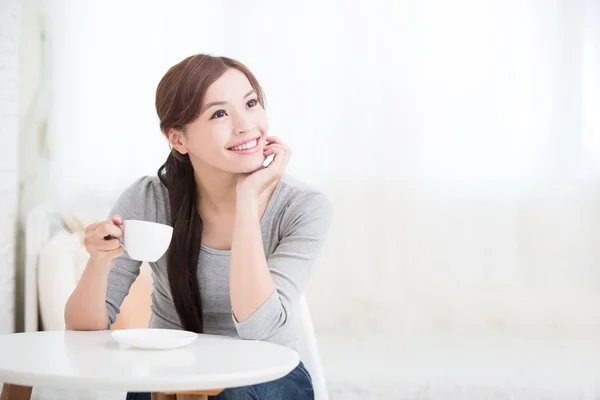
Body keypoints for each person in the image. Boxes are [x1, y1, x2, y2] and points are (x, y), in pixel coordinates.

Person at [64, 54, 333, 400]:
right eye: (220, 113)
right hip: (170, 373)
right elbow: (83, 328)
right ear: (178, 139)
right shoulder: (148, 200)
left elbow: (259, 328)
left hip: (265, 374)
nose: (245, 125)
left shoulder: (303, 206)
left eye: (251, 103)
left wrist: (247, 200)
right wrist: (100, 261)